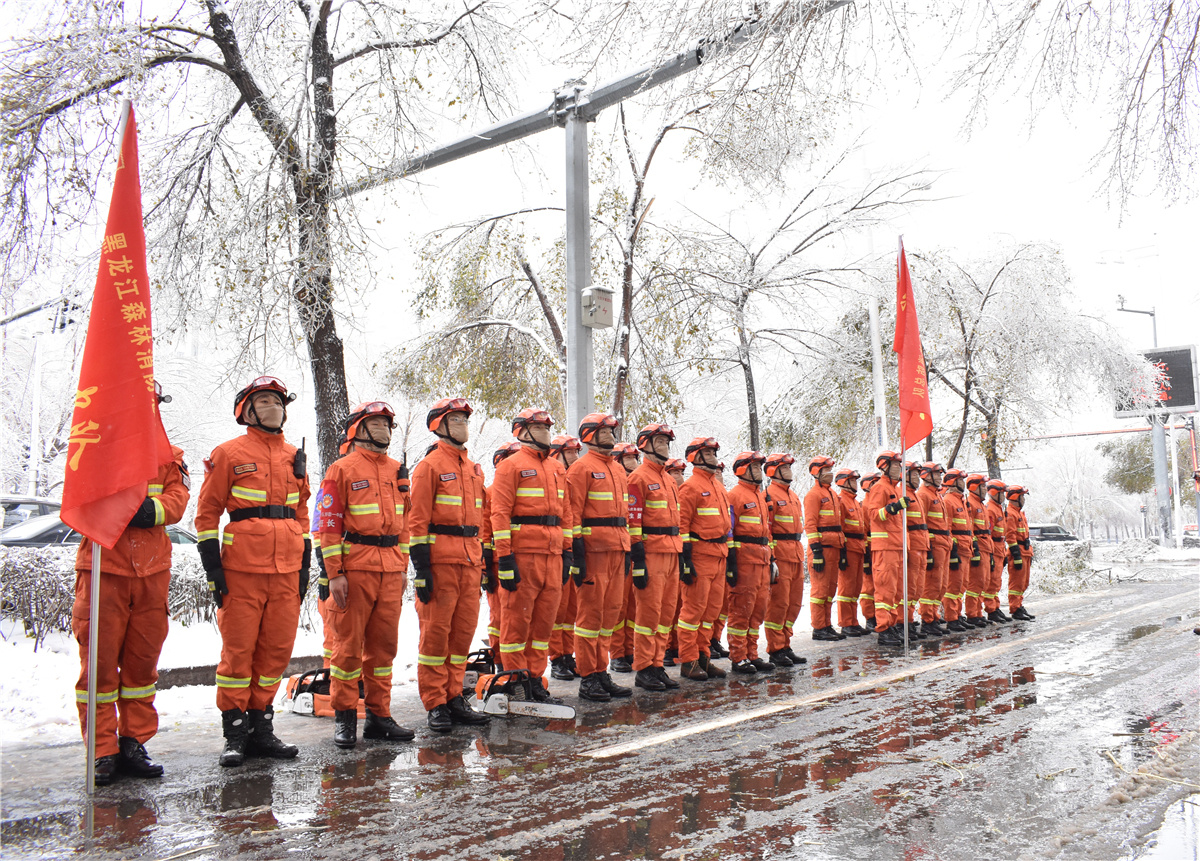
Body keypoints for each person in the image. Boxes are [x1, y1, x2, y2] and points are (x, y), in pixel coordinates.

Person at [73, 382, 190, 785]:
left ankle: (133, 741)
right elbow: (78, 496)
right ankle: (102, 749)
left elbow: (178, 498)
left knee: (142, 665)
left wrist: (150, 511)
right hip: (105, 567)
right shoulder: (93, 446)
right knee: (100, 668)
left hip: (152, 571)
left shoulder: (169, 454)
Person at [196, 376, 311, 767]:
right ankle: (235, 730)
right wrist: (213, 567)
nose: (273, 407)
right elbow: (207, 513)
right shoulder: (228, 453)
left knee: (276, 652)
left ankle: (262, 726)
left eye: (278, 401)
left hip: (286, 570)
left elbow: (302, 513)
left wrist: (304, 564)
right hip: (242, 569)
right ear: (246, 410)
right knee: (238, 652)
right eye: (263, 401)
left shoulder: (294, 456)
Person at [314, 401, 415, 748]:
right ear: (358, 428)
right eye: (377, 423)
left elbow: (404, 526)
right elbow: (327, 526)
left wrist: (402, 566)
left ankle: (379, 717)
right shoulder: (340, 469)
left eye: (389, 423)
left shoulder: (396, 469)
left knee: (384, 649)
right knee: (347, 648)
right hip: (355, 567)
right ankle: (345, 718)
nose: (386, 429)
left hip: (389, 568)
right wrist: (334, 573)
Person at [408, 398, 491, 732]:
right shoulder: (429, 466)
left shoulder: (473, 468)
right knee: (435, 637)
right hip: (440, 562)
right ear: (439, 425)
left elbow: (481, 519)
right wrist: (422, 567)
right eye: (455, 419)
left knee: (461, 637)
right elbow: (417, 520)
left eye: (464, 419)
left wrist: (483, 560)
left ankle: (454, 695)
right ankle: (435, 702)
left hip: (469, 562)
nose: (462, 424)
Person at [489, 408, 573, 700]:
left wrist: (568, 552)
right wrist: (506, 558)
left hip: (552, 554)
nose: (546, 432)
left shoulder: (556, 468)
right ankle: (516, 679)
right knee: (516, 623)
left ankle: (535, 678)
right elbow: (499, 514)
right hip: (523, 554)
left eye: (547, 427)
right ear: (522, 432)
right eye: (539, 427)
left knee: (543, 625)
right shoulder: (510, 466)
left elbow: (567, 514)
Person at [566, 413, 633, 702]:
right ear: (590, 434)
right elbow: (573, 513)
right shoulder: (580, 469)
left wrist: (628, 548)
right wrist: (577, 552)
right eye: (605, 431)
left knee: (609, 616)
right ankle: (588, 676)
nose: (610, 435)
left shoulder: (618, 470)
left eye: (611, 431)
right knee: (590, 618)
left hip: (617, 550)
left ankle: (601, 671)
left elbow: (624, 515)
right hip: (593, 553)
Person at [625, 423, 684, 691]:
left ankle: (657, 664)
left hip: (672, 552)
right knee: (649, 613)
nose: (665, 446)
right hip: (651, 553)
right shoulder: (637, 478)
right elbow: (633, 519)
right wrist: (637, 555)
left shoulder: (669, 480)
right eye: (659, 441)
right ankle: (644, 667)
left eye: (666, 442)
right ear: (645, 445)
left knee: (666, 614)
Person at [675, 437, 732, 682]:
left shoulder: (718, 486)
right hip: (700, 556)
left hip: (719, 555)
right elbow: (682, 526)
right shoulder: (690, 487)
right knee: (693, 612)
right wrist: (685, 560)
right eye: (707, 453)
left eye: (713, 452)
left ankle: (703, 657)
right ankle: (688, 661)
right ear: (696, 457)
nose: (712, 456)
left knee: (710, 613)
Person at [726, 451, 775, 674]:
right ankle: (738, 657)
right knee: (741, 611)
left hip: (762, 560)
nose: (759, 471)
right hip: (745, 561)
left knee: (757, 611)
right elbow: (729, 531)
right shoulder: (734, 496)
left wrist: (772, 559)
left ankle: (752, 654)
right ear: (743, 470)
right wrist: (731, 562)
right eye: (754, 467)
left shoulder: (760, 497)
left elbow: (767, 532)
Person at [763, 453, 808, 666]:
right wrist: (771, 558)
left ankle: (786, 643)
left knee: (793, 604)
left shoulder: (793, 496)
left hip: (796, 552)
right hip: (780, 554)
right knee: (778, 604)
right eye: (785, 467)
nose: (790, 471)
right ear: (773, 471)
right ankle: (776, 648)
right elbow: (767, 529)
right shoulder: (769, 495)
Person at [863, 451, 908, 646]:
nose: (899, 469)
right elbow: (873, 514)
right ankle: (883, 628)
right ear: (885, 467)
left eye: (900, 465)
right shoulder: (880, 488)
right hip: (885, 548)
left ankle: (893, 623)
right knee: (884, 591)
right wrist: (893, 508)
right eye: (896, 465)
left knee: (896, 591)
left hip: (897, 547)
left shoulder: (896, 489)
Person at [548, 435, 583, 681]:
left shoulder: (572, 480)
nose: (574, 458)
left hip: (570, 550)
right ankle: (556, 657)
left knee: (571, 610)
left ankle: (567, 654)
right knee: (556, 611)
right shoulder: (554, 480)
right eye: (570, 453)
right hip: (553, 552)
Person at [484, 441, 522, 652]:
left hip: (517, 559)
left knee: (517, 614)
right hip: (499, 562)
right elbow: (485, 529)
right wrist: (486, 565)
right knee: (499, 614)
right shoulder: (491, 492)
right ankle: (498, 657)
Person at [804, 455, 846, 642]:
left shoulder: (833, 496)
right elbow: (810, 525)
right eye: (826, 471)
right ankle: (818, 627)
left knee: (830, 590)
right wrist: (816, 550)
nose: (830, 474)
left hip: (834, 547)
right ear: (817, 473)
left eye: (830, 470)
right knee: (820, 590)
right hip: (821, 548)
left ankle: (826, 625)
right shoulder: (813, 495)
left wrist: (842, 548)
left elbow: (839, 524)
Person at [609, 441, 641, 674]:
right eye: (628, 458)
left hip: (637, 551)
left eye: (635, 458)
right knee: (618, 607)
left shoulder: (637, 485)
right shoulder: (617, 484)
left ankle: (629, 649)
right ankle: (617, 653)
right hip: (619, 551)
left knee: (633, 608)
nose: (634, 463)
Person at [833, 467, 870, 638]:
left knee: (855, 588)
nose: (855, 483)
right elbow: (840, 526)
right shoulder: (841, 501)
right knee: (846, 588)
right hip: (848, 548)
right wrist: (841, 551)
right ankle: (846, 623)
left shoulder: (855, 502)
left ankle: (853, 621)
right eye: (852, 480)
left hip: (858, 547)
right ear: (844, 482)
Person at [917, 462, 950, 637]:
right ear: (926, 475)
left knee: (941, 585)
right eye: (936, 474)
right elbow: (922, 524)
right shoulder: (923, 495)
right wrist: (928, 548)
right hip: (934, 544)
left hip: (943, 544)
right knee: (930, 585)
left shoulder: (936, 495)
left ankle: (934, 617)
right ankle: (927, 620)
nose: (939, 477)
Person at [939, 468, 973, 631]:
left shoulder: (961, 500)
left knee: (961, 585)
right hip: (957, 549)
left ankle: (957, 615)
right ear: (953, 481)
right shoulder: (949, 501)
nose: (963, 483)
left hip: (966, 548)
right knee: (953, 586)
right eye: (960, 480)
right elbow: (948, 527)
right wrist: (952, 550)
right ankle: (951, 617)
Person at [901, 461, 929, 639]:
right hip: (912, 547)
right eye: (913, 474)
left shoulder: (916, 495)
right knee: (908, 588)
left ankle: (909, 621)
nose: (917, 478)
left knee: (917, 589)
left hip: (922, 545)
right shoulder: (903, 494)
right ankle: (904, 622)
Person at [1004, 485, 1037, 621]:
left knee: (1023, 582)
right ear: (1015, 497)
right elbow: (1010, 535)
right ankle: (1015, 608)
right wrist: (1016, 554)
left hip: (1025, 551)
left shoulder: (1019, 513)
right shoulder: (1010, 513)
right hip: (1018, 552)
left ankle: (1018, 605)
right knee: (1016, 583)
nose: (1023, 499)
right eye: (1022, 496)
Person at [964, 474, 992, 628]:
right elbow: (970, 528)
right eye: (982, 486)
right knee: (975, 583)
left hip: (986, 546)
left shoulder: (981, 505)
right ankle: (972, 614)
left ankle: (978, 613)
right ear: (974, 487)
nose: (984, 490)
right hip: (978, 547)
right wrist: (974, 549)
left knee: (983, 582)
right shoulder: (971, 504)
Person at [984, 478, 1013, 623]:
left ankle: (995, 607)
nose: (1004, 496)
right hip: (994, 548)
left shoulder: (998, 508)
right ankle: (991, 609)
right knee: (992, 581)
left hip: (999, 547)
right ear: (995, 493)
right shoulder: (990, 509)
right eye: (1002, 493)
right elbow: (988, 532)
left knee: (996, 581)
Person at [857, 472, 881, 630]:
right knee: (868, 587)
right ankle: (870, 617)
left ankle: (877, 616)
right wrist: (866, 553)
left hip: (879, 548)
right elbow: (864, 531)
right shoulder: (865, 505)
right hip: (870, 549)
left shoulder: (875, 504)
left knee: (880, 585)